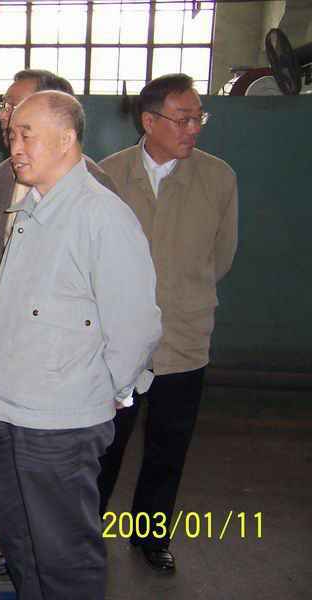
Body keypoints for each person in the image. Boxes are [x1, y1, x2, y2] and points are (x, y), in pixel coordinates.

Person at [0, 91, 162, 599]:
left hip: (59, 422)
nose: (14, 145)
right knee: (20, 545)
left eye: (26, 134)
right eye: (11, 134)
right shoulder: (28, 208)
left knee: (64, 556)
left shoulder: (102, 216)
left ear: (66, 138)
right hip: (2, 408)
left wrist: (107, 392)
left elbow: (137, 325)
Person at [0, 68, 120, 579]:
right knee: (20, 521)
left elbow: (127, 313)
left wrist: (109, 385)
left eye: (23, 118)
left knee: (63, 540)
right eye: (6, 111)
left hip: (60, 391)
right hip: (6, 376)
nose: (8, 123)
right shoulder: (3, 177)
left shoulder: (97, 196)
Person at [97, 73, 238, 573]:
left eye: (198, 118)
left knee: (168, 447)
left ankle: (150, 537)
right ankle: (85, 530)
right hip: (116, 344)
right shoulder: (108, 176)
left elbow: (221, 255)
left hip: (184, 339)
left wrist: (183, 295)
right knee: (104, 446)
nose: (193, 128)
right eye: (183, 119)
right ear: (149, 121)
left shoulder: (218, 178)